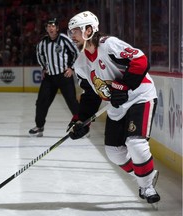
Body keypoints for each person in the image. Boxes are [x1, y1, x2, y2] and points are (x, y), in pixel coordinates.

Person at [67, 11, 160, 204]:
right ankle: (145, 175)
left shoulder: (108, 45)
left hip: (139, 96)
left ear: (89, 30)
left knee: (136, 143)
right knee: (114, 152)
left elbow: (140, 60)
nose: (72, 35)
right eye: (71, 32)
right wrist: (80, 120)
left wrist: (125, 86)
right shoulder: (81, 63)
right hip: (117, 105)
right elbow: (90, 95)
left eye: (75, 31)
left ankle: (147, 187)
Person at [29, 18, 79, 137]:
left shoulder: (64, 39)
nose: (51, 28)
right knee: (41, 102)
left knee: (72, 102)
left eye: (53, 26)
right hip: (49, 78)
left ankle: (81, 126)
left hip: (64, 76)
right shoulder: (43, 42)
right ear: (46, 29)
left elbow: (76, 53)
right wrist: (44, 67)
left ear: (57, 28)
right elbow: (39, 55)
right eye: (48, 26)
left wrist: (71, 68)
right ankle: (39, 126)